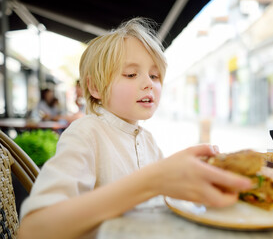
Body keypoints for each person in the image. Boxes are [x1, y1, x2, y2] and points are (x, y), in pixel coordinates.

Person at [18, 18, 252, 238]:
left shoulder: (148, 140)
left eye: (155, 75)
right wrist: (152, 181)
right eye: (131, 74)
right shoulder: (86, 133)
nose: (148, 83)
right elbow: (33, 229)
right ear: (95, 87)